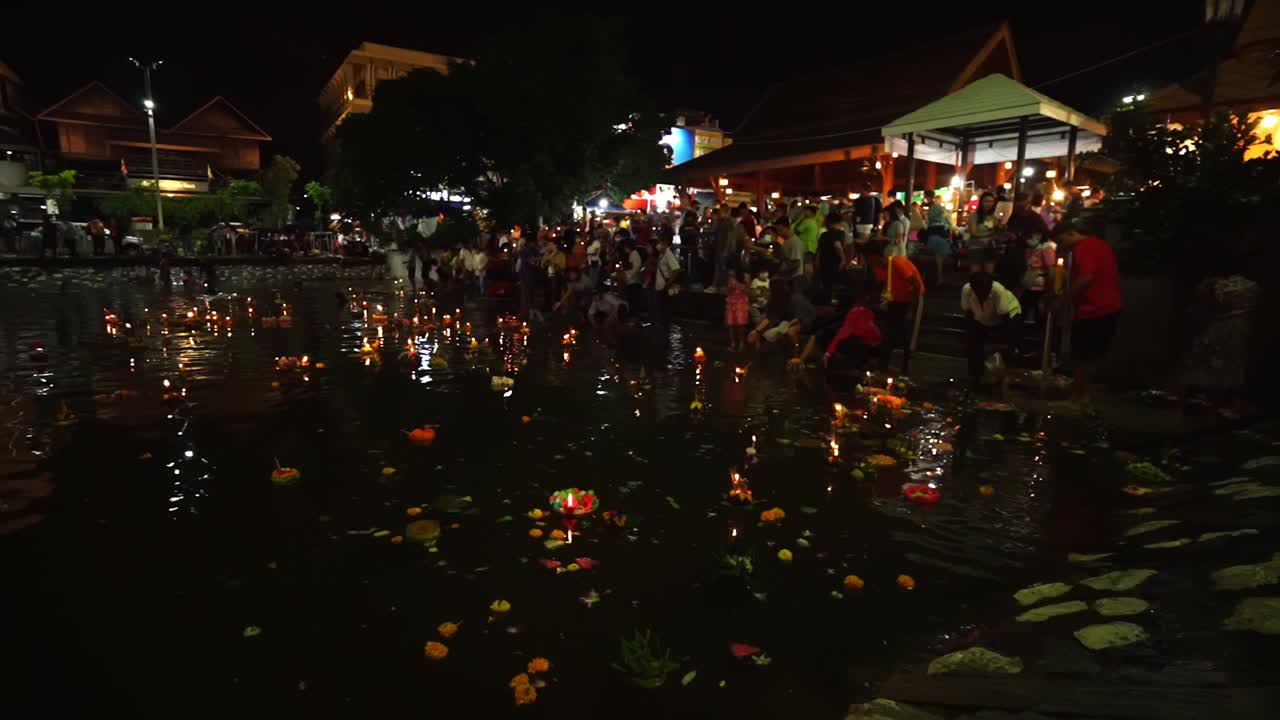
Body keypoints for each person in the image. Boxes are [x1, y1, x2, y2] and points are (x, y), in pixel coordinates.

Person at [1053, 219, 1123, 412]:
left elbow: (1086, 277)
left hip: (1093, 308)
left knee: (1081, 357)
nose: (1061, 246)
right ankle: (1083, 396)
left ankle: (1078, 398)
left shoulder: (1083, 248)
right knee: (1089, 357)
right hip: (1108, 306)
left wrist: (1063, 300)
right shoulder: (1100, 244)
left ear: (1070, 233)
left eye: (1061, 241)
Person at [866, 241, 925, 373]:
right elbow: (882, 286)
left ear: (875, 257)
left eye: (868, 258)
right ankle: (884, 366)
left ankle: (904, 366)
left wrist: (910, 310)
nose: (868, 262)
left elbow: (916, 286)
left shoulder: (897, 263)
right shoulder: (877, 269)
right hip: (896, 301)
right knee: (889, 333)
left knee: (906, 334)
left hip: (912, 300)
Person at [960, 272, 1022, 386]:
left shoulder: (998, 291)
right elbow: (968, 313)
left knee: (1007, 347)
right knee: (974, 345)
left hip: (1009, 314)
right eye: (979, 292)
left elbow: (1005, 318)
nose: (983, 296)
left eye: (986, 292)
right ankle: (975, 376)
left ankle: (1004, 379)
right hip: (982, 317)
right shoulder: (967, 290)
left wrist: (1001, 342)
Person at [922, 190, 953, 286]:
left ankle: (939, 278)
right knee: (939, 258)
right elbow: (948, 222)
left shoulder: (932, 208)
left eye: (925, 197)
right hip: (942, 234)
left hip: (935, 234)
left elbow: (928, 222)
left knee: (937, 258)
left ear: (928, 197)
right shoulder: (940, 208)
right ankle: (940, 278)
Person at [966, 191, 1000, 272]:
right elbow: (973, 233)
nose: (989, 204)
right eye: (986, 201)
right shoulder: (974, 216)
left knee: (989, 275)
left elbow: (998, 229)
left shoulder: (993, 216)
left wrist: (1000, 227)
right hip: (976, 247)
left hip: (989, 247)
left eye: (991, 201)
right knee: (975, 275)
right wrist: (991, 233)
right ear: (981, 202)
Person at [652, 235, 681, 325]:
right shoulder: (662, 254)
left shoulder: (668, 254)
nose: (658, 245)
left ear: (664, 244)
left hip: (664, 288)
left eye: (659, 243)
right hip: (660, 287)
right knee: (660, 311)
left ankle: (664, 330)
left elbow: (676, 269)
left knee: (663, 311)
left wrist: (668, 283)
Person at [815, 219, 847, 295]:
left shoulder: (823, 235)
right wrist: (843, 259)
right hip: (834, 262)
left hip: (824, 262)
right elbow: (837, 245)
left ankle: (826, 300)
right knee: (836, 285)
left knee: (826, 285)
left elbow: (819, 250)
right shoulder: (840, 233)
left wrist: (817, 261)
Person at [725, 270, 750, 351]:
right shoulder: (730, 277)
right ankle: (733, 342)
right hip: (731, 303)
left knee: (740, 325)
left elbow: (748, 291)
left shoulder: (746, 276)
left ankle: (741, 343)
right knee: (731, 325)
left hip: (741, 303)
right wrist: (729, 288)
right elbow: (727, 291)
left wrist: (741, 286)